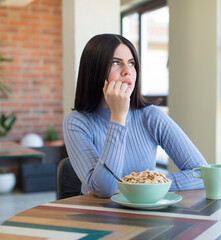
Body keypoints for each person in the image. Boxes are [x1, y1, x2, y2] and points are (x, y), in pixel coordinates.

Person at [63, 33, 207, 198]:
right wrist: (118, 116)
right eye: (116, 63)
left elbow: (201, 174)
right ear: (94, 70)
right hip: (98, 217)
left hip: (145, 214)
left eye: (131, 63)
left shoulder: (151, 116)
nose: (127, 71)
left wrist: (141, 184)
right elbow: (104, 189)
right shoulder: (76, 123)